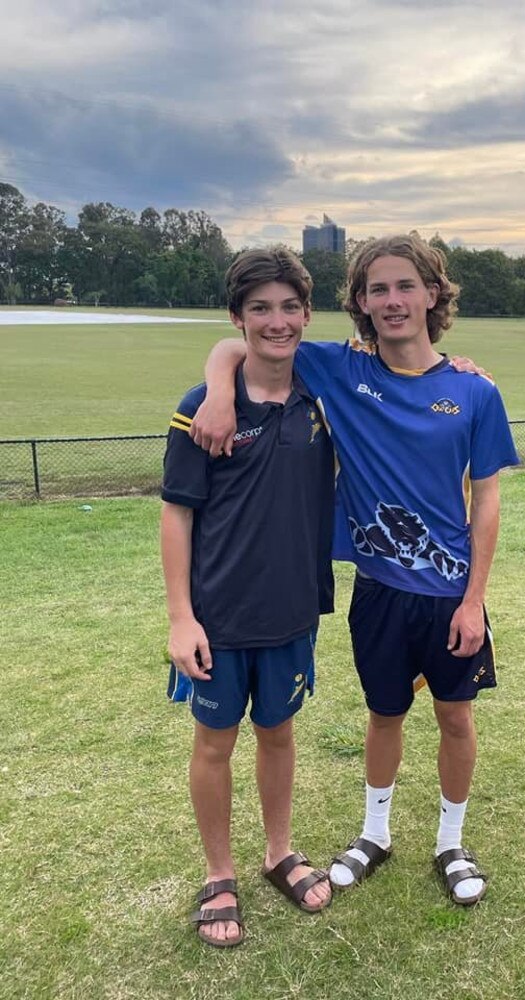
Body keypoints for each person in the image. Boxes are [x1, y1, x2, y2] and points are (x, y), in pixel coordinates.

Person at [192, 234, 518, 906]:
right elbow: (243, 341)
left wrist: (474, 599)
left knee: (456, 718)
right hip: (377, 592)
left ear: (433, 293)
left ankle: (450, 843)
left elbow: (486, 503)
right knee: (383, 714)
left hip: (450, 594)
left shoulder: (475, 392)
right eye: (377, 289)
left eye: (406, 286)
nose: (392, 301)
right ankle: (375, 834)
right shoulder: (343, 370)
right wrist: (220, 393)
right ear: (361, 303)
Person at [161, 247, 334, 948]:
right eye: (260, 308)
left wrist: (468, 371)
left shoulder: (322, 398)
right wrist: (180, 618)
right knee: (214, 743)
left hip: (291, 610)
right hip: (218, 617)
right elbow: (177, 514)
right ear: (238, 317)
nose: (277, 321)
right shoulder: (201, 408)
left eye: (289, 306)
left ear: (306, 314)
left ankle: (277, 853)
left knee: (279, 734)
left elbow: (403, 368)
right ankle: (219, 872)